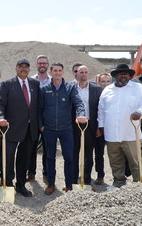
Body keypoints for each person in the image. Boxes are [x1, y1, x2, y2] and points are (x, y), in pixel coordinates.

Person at [98, 64, 142, 188]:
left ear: (129, 75)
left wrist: (139, 112)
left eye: (126, 73)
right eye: (120, 73)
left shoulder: (139, 88)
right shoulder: (107, 90)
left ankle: (139, 185)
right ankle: (118, 183)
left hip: (131, 133)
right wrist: (101, 126)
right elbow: (101, 110)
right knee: (115, 161)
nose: (123, 76)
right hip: (112, 134)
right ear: (116, 76)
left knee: (136, 161)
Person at [39, 63, 87, 195]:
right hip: (49, 129)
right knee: (50, 157)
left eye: (60, 70)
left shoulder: (70, 88)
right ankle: (51, 184)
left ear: (63, 72)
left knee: (69, 157)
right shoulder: (45, 89)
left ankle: (69, 185)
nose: (57, 73)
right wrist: (41, 126)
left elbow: (78, 102)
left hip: (66, 128)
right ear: (50, 72)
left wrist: (82, 114)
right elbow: (40, 109)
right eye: (55, 70)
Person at [0, 58, 40, 197]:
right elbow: (0, 103)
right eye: (21, 66)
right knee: (8, 157)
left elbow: (38, 105)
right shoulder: (8, 84)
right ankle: (7, 183)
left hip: (29, 128)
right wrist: (0, 118)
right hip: (11, 128)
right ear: (16, 68)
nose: (24, 69)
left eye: (26, 67)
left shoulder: (35, 84)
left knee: (24, 159)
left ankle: (20, 185)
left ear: (29, 70)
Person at [72, 65, 103, 187]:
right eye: (81, 72)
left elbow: (101, 110)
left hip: (90, 125)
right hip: (74, 125)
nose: (83, 74)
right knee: (74, 154)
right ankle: (73, 181)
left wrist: (99, 127)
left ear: (88, 74)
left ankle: (86, 181)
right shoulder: (70, 88)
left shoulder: (97, 89)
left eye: (85, 72)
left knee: (88, 155)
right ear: (76, 74)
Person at [27, 55, 51, 184]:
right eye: (40, 63)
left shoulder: (53, 80)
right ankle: (31, 173)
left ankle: (46, 174)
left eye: (44, 63)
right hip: (33, 119)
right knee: (31, 148)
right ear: (36, 65)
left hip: (47, 120)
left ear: (48, 65)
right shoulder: (30, 80)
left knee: (47, 148)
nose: (42, 65)